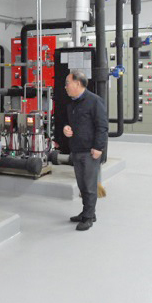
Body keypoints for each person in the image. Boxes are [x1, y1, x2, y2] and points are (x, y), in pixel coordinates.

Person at [63, 70, 108, 231]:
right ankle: (87, 212)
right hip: (77, 149)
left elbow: (102, 126)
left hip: (90, 151)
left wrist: (98, 148)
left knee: (89, 186)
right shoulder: (72, 103)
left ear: (77, 83)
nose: (65, 86)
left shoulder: (94, 101)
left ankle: (89, 218)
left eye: (68, 83)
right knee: (82, 185)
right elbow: (69, 123)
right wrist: (66, 129)